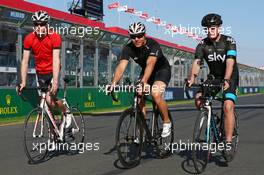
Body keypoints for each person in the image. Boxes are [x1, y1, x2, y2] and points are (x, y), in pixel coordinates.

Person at [187, 13, 239, 162]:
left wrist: (227, 79)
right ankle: (212, 118)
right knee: (198, 100)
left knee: (228, 106)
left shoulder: (229, 41)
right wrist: (192, 78)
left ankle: (228, 143)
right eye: (208, 28)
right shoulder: (202, 44)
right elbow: (197, 63)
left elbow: (230, 62)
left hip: (230, 77)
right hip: (214, 78)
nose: (211, 30)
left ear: (219, 28)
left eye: (213, 27)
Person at [109, 22, 172, 137]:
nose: (136, 39)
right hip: (146, 71)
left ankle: (167, 121)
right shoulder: (128, 48)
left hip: (161, 70)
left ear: (144, 35)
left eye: (139, 36)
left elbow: (150, 64)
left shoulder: (153, 44)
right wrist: (113, 82)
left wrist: (143, 81)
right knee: (138, 97)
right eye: (133, 37)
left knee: (156, 94)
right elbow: (121, 66)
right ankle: (142, 131)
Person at [16, 10, 72, 138]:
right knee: (45, 105)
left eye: (42, 24)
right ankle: (54, 136)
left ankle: (66, 111)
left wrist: (56, 81)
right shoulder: (29, 38)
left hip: (52, 71)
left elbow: (56, 59)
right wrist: (23, 82)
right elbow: (24, 61)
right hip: (40, 73)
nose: (39, 27)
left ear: (47, 24)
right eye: (36, 24)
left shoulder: (55, 36)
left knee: (50, 100)